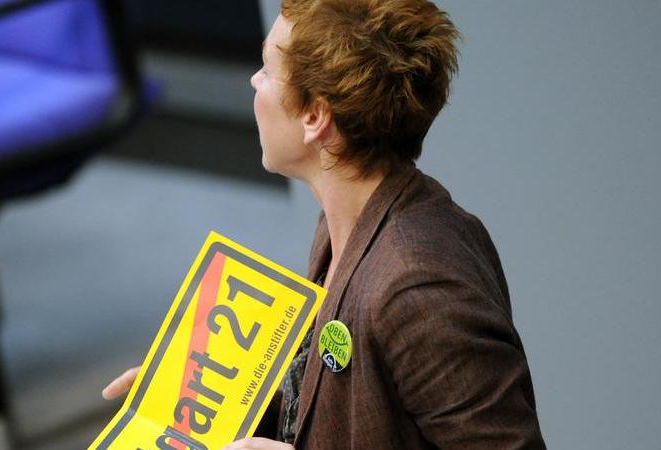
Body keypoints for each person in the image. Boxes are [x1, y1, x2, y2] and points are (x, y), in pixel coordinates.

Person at [103, 0, 546, 448]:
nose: (254, 82)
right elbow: (344, 410)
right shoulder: (343, 228)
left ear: (315, 117)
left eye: (267, 70)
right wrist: (194, 408)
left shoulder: (419, 286)